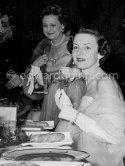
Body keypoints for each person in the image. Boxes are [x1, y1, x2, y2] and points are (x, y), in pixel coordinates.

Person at [55, 28, 125, 166]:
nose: (79, 52)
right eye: (76, 47)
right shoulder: (90, 78)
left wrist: (74, 115)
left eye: (87, 47)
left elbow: (115, 136)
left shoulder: (105, 82)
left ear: (100, 53)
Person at [6, 5, 85, 126]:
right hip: (51, 102)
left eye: (53, 25)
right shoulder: (43, 48)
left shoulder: (75, 44)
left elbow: (89, 72)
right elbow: (38, 87)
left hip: (73, 100)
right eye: (45, 25)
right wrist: (31, 71)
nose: (48, 29)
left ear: (62, 26)